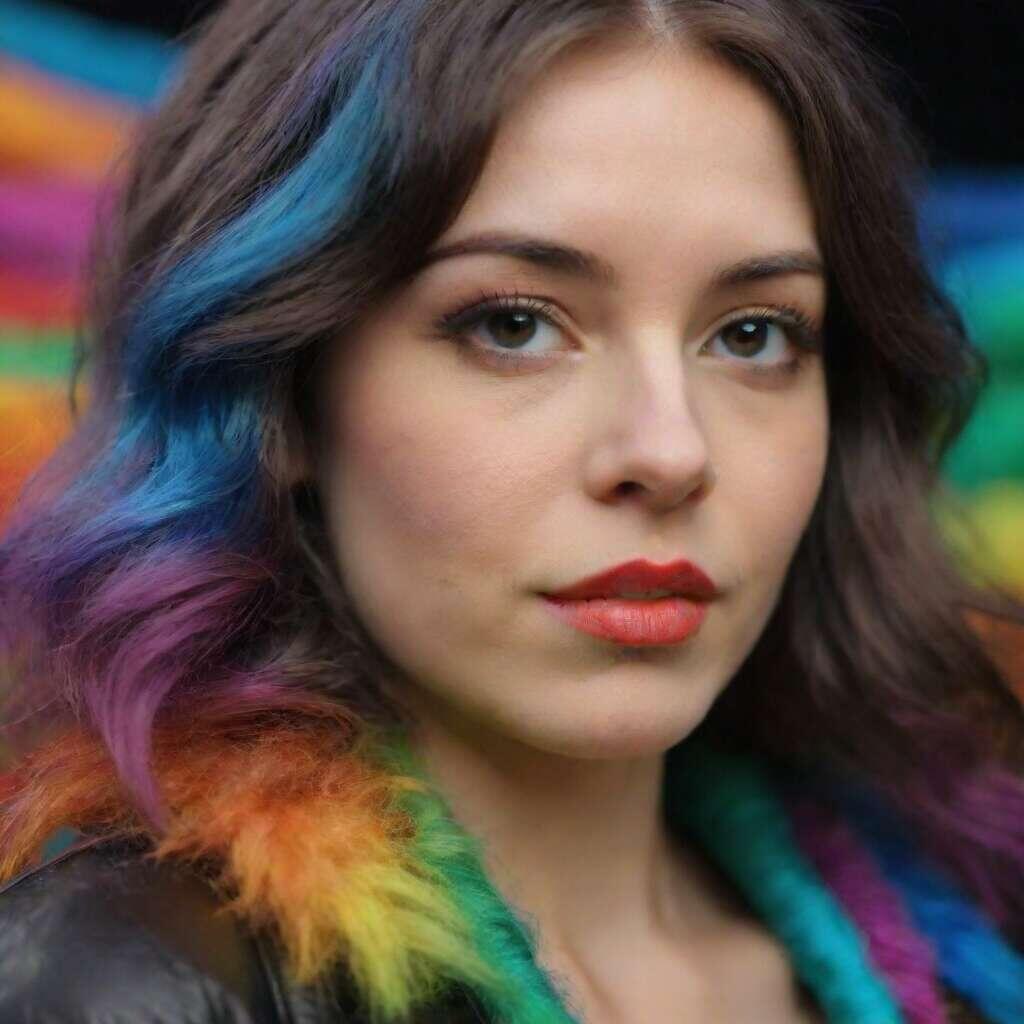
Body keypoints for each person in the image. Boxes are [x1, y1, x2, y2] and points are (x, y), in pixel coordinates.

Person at [1, 0, 1023, 1021]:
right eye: (515, 324)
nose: (671, 452)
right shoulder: (126, 983)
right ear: (284, 394)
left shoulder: (974, 935)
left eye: (752, 335)